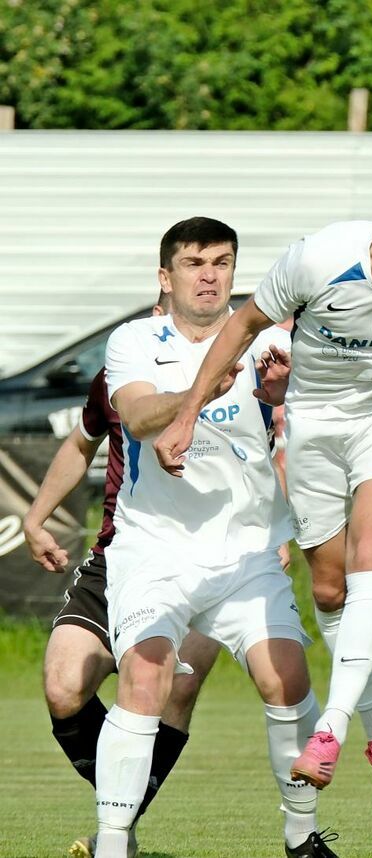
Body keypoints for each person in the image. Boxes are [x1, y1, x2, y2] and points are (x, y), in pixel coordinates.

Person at [152, 216, 372, 821]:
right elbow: (244, 326)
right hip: (317, 421)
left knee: (370, 555)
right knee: (328, 590)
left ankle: (332, 729)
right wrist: (188, 412)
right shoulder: (317, 261)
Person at [96, 217, 338, 858]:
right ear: (165, 276)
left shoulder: (269, 343)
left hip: (247, 549)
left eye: (222, 262)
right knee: (146, 674)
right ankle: (113, 842)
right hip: (156, 546)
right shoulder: (136, 340)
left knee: (286, 679)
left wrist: (291, 397)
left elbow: (320, 427)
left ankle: (302, 838)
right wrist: (195, 395)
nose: (209, 275)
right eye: (194, 262)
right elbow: (137, 414)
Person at [23, 293, 221, 858]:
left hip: (213, 560)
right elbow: (81, 442)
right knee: (64, 685)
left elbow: (276, 452)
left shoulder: (240, 371)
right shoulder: (120, 369)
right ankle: (121, 802)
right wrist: (36, 519)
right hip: (122, 554)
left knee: (174, 688)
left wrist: (277, 537)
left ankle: (116, 830)